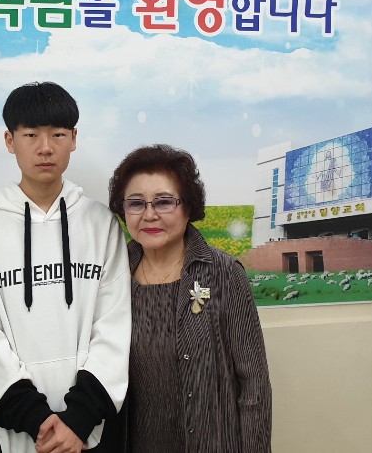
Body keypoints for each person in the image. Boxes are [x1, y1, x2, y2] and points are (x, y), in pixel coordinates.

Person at [0, 81, 130, 453]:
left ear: (74, 139)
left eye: (58, 134)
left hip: (92, 426)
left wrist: (78, 421)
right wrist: (37, 419)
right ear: (10, 140)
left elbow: (114, 326)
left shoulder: (101, 224)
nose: (45, 147)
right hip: (9, 426)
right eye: (31, 135)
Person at [107, 144, 272, 453]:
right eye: (136, 203)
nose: (149, 215)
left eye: (164, 202)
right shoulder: (113, 274)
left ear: (187, 207)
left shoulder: (224, 273)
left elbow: (254, 386)